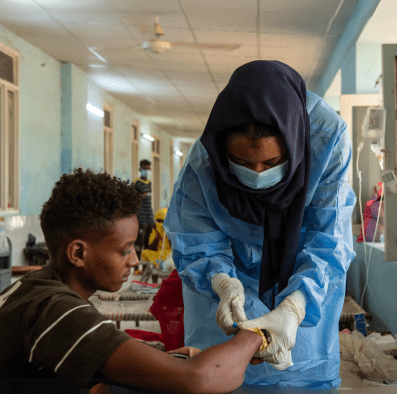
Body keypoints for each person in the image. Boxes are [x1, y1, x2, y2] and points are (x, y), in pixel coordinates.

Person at [165, 60, 356, 389]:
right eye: (241, 163)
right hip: (222, 306)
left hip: (304, 289)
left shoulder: (325, 141)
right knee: (220, 373)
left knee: (300, 373)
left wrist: (294, 307)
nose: (256, 174)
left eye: (271, 162)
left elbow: (328, 241)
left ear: (295, 147)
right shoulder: (203, 162)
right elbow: (195, 244)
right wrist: (223, 283)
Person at [0, 168, 265, 394]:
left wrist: (163, 359)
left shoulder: (34, 288)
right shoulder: (56, 310)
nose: (135, 260)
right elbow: (199, 378)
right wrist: (256, 334)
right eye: (124, 250)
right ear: (78, 253)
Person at [134, 159, 155, 259]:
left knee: (148, 244)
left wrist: (152, 218)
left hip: (149, 218)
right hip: (140, 219)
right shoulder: (136, 183)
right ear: (140, 169)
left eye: (148, 168)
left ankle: (146, 268)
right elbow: (133, 200)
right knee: (139, 244)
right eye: (145, 168)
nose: (147, 170)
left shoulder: (149, 183)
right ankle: (137, 267)